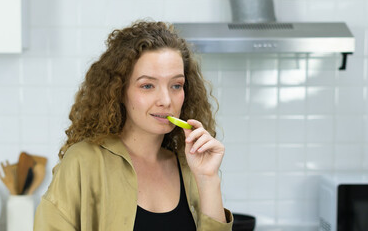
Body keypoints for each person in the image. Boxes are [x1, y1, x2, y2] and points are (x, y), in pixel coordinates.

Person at [33, 20, 233, 231]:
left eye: (176, 85)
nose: (166, 100)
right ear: (119, 90)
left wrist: (208, 179)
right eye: (147, 85)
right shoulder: (83, 162)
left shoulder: (189, 167)